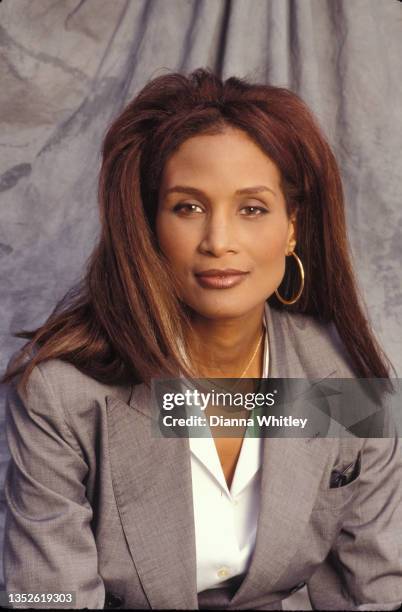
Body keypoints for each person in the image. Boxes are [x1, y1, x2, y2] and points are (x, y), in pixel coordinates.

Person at [2, 68, 402, 610]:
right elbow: (47, 599)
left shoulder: (340, 386)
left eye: (252, 209)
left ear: (291, 227)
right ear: (149, 225)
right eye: (188, 207)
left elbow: (378, 591)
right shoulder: (66, 395)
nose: (219, 241)